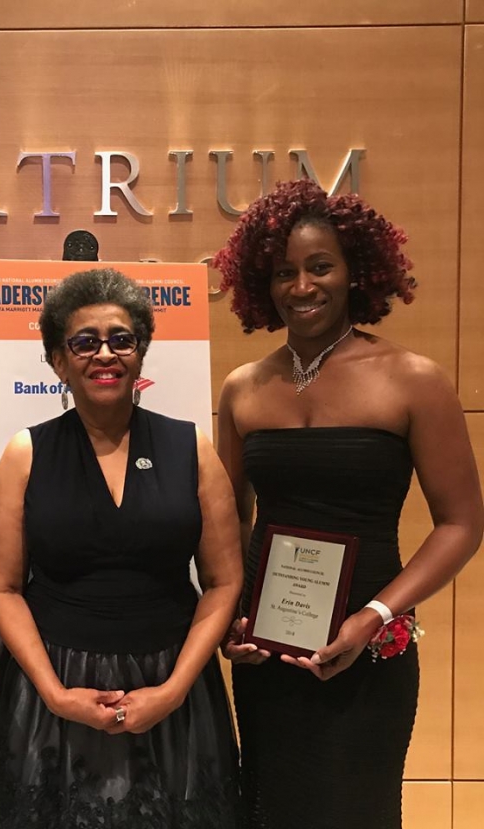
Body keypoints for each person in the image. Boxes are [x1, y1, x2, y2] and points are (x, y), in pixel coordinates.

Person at [213, 179, 484, 829]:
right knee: (268, 807)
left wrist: (373, 614)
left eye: (319, 266)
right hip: (268, 656)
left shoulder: (412, 379)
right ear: (261, 282)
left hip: (366, 653)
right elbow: (226, 524)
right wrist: (229, 619)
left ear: (356, 271)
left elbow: (462, 522)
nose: (300, 286)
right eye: (283, 272)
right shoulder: (243, 388)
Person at [0, 268, 242, 828]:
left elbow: (223, 582)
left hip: (173, 686)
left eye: (122, 339)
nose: (106, 354)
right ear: (57, 360)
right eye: (85, 341)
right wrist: (54, 694)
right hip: (55, 689)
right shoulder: (26, 454)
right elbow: (1, 587)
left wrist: (173, 691)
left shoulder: (190, 445)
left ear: (141, 354)